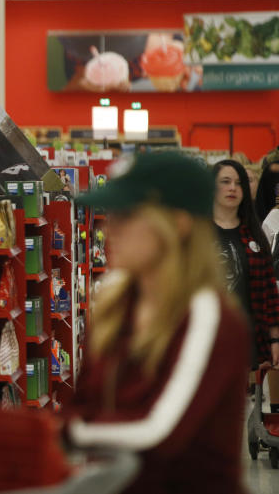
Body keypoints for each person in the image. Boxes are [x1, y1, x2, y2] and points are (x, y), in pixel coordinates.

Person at [64, 152, 251, 494]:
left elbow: (158, 431)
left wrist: (60, 432)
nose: (109, 228)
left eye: (127, 215)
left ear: (177, 224)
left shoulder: (211, 319)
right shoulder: (114, 307)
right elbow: (83, 405)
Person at [211, 160, 279, 374]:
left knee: (242, 403)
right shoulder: (196, 234)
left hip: (248, 340)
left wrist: (275, 338)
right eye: (225, 181)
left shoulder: (255, 234)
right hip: (206, 338)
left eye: (239, 183)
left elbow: (269, 290)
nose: (232, 187)